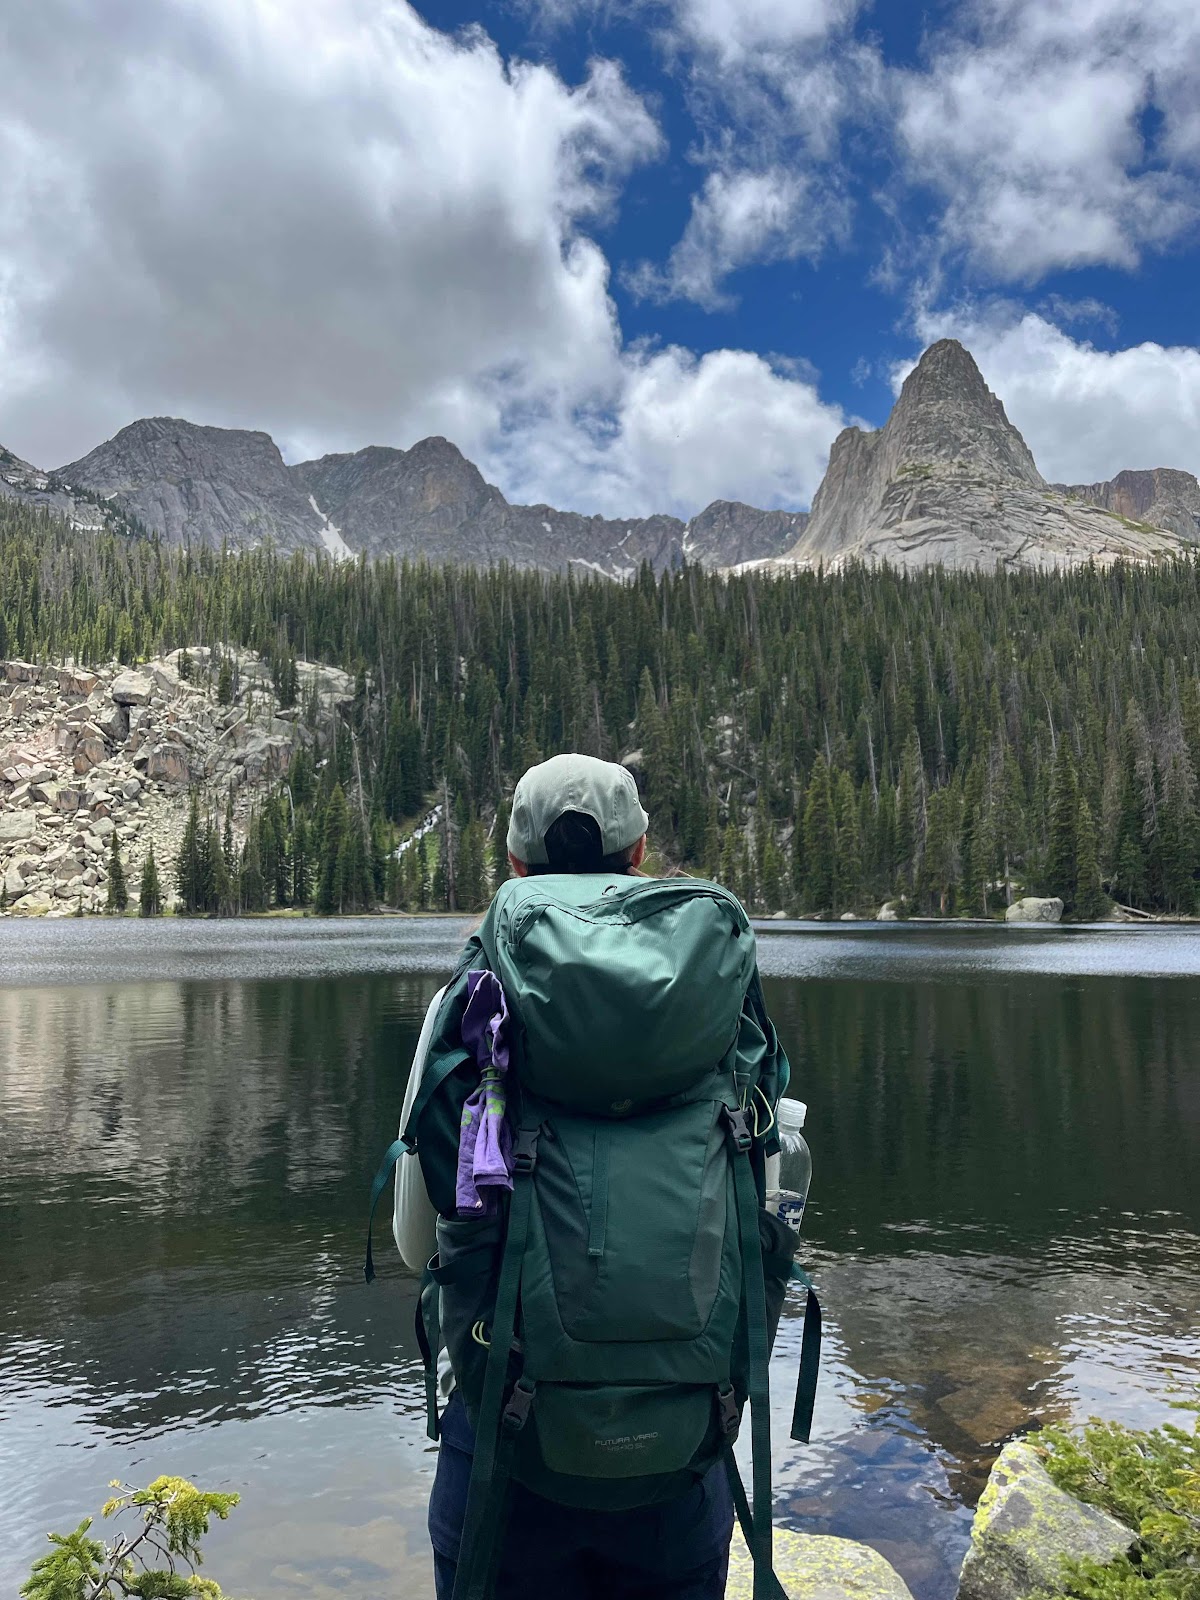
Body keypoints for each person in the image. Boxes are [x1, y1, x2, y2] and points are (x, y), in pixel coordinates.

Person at [385, 753, 807, 1600]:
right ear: (640, 850)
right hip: (685, 1436)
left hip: (505, 1433)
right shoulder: (715, 996)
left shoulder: (470, 999)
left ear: (514, 862)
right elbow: (770, 1202)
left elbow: (415, 1239)